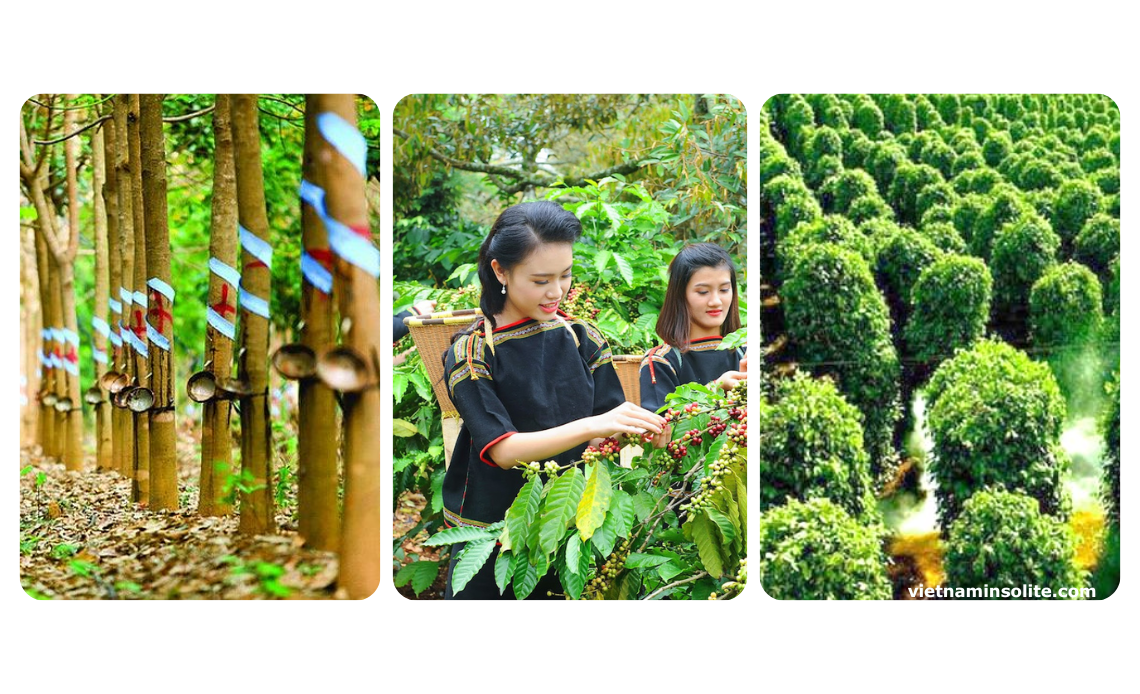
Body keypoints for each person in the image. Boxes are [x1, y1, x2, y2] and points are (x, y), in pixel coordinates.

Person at [441, 200, 666, 600]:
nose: (557, 291)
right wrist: (595, 426)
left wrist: (648, 429)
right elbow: (505, 451)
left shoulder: (583, 337)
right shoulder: (472, 353)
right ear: (500, 271)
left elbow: (605, 432)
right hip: (495, 533)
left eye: (565, 275)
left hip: (575, 525)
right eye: (541, 279)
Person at [639, 243, 746, 414]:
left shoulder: (746, 352)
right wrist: (715, 388)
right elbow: (659, 430)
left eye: (724, 290)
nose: (716, 301)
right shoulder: (661, 361)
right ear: (680, 296)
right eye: (703, 292)